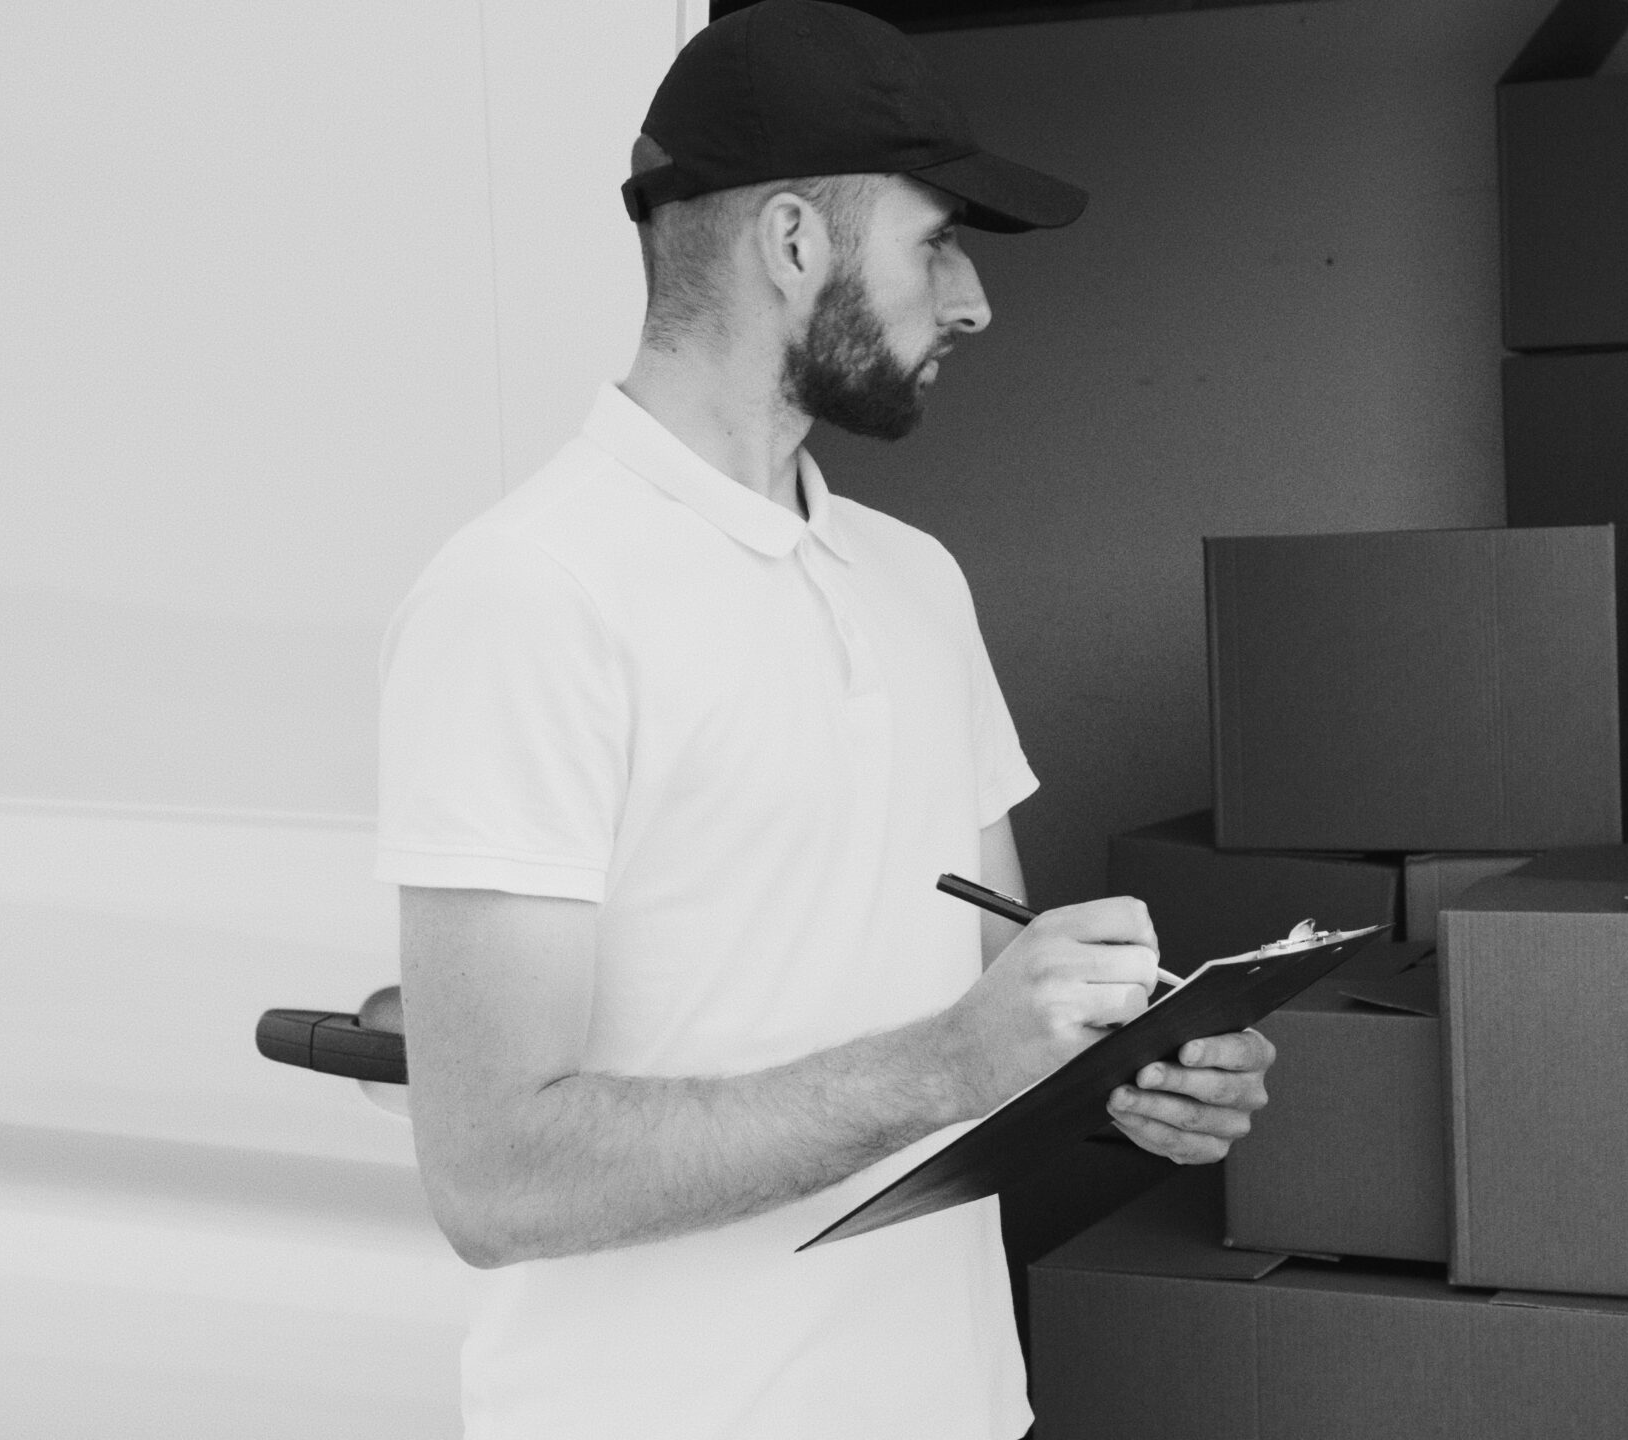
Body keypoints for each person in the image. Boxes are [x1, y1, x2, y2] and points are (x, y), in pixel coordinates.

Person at [373, 4, 1277, 1435]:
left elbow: (992, 1004)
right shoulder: (528, 595)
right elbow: (495, 1177)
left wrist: (1127, 1071)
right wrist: (950, 1061)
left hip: (957, 1405)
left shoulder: (917, 583)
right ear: (793, 242)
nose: (974, 300)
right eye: (935, 241)